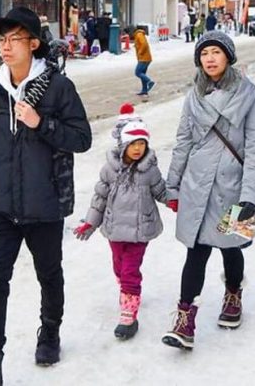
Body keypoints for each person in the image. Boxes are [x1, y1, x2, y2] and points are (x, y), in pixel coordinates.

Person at [0, 6, 92, 386]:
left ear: (33, 43)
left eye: (14, 39)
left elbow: (82, 139)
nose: (5, 46)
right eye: (1, 39)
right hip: (0, 206)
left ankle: (49, 331)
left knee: (49, 275)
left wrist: (41, 122)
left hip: (44, 204)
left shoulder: (57, 87)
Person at [161, 30, 255, 350]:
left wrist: (250, 196)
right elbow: (183, 142)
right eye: (204, 53)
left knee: (231, 246)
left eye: (216, 52)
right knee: (196, 251)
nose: (209, 58)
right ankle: (184, 320)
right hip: (197, 186)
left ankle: (233, 293)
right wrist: (173, 186)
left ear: (228, 57)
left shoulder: (250, 95)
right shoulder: (194, 94)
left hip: (234, 188)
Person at [73, 104, 167, 340]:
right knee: (119, 265)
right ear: (123, 145)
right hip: (115, 230)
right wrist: (91, 223)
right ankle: (126, 285)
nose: (138, 148)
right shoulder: (110, 170)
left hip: (139, 230)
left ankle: (129, 314)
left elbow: (162, 191)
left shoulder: (149, 171)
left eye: (142, 144)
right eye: (133, 144)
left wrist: (176, 202)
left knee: (129, 270)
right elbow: (99, 198)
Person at [133, 25, 155, 96]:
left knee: (138, 72)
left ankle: (149, 81)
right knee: (142, 74)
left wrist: (140, 52)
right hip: (145, 58)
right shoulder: (140, 35)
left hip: (144, 58)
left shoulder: (139, 35)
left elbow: (144, 44)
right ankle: (144, 90)